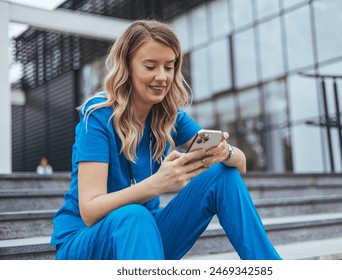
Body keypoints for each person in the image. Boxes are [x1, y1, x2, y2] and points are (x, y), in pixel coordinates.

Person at [50, 19, 282, 260]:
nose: (162, 77)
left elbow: (241, 163)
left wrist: (225, 152)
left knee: (222, 175)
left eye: (169, 67)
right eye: (150, 66)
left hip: (144, 237)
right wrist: (158, 183)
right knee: (135, 216)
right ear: (127, 67)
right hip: (87, 242)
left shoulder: (169, 115)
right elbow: (89, 211)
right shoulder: (97, 116)